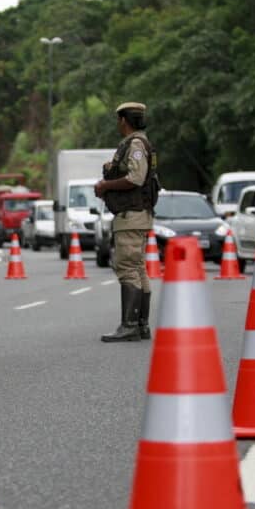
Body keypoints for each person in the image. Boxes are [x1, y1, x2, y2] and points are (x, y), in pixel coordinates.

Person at [95, 102, 157, 343]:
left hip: (131, 214)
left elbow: (136, 177)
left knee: (127, 267)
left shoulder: (136, 144)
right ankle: (140, 324)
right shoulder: (138, 143)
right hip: (136, 214)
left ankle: (130, 325)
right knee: (137, 268)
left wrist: (105, 185)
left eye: (118, 120)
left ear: (123, 120)